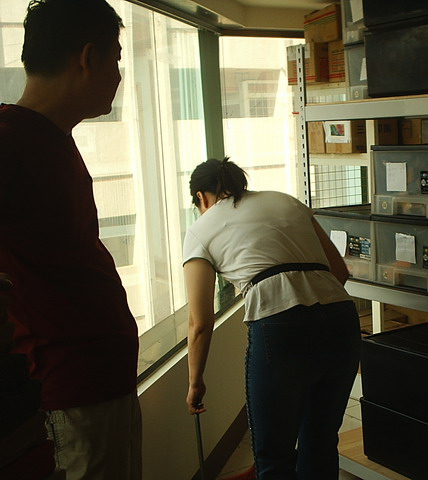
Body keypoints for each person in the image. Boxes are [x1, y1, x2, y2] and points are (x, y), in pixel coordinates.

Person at [0, 1, 141, 478]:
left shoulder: (53, 138)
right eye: (116, 58)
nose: (118, 75)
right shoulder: (9, 143)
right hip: (69, 388)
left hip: (99, 381)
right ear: (88, 57)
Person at [183, 158, 362, 480]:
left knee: (273, 455)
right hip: (340, 316)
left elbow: (200, 322)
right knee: (320, 440)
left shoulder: (200, 229)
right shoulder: (285, 201)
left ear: (200, 197)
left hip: (278, 327)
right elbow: (340, 271)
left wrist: (195, 382)